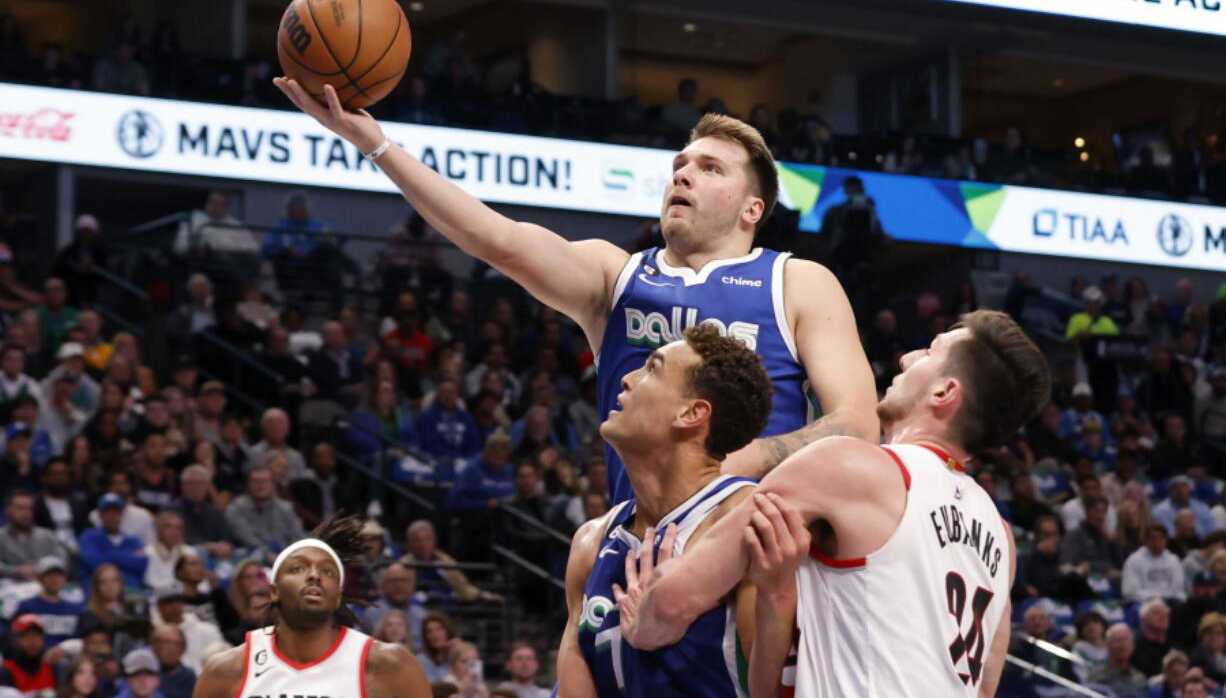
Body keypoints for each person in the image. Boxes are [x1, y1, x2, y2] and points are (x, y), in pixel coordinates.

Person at [273, 79, 877, 504]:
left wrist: (748, 461)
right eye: (680, 165)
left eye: (710, 168)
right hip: (633, 549)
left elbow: (857, 423)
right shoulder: (617, 276)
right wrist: (375, 144)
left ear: (753, 208)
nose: (683, 174)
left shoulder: (796, 280)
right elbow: (496, 239)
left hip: (754, 552)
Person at [623, 310, 1050, 698]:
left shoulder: (846, 465)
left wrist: (642, 614)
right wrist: (776, 594)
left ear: (943, 391)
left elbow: (671, 605)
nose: (906, 359)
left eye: (929, 351)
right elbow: (984, 689)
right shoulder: (1001, 535)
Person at [555, 324, 772, 697]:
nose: (625, 379)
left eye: (652, 369)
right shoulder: (591, 540)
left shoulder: (747, 521)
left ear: (691, 413)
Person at [192, 515, 431, 698]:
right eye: (298, 568)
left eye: (327, 571)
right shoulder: (226, 670)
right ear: (274, 591)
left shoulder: (388, 665)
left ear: (337, 596)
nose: (314, 576)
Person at [79, 492, 149, 588]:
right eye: (107, 512)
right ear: (100, 514)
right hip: (97, 592)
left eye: (116, 512)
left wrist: (108, 554)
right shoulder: (89, 536)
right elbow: (96, 564)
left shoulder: (133, 540)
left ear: (122, 514)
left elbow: (141, 564)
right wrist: (127, 558)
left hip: (131, 591)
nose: (111, 516)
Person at [224, 466, 303, 551]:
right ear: (248, 485)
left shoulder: (285, 508)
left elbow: (297, 539)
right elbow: (249, 541)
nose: (261, 485)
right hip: (251, 559)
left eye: (265, 481)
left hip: (285, 556)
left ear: (273, 485)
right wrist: (267, 555)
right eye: (256, 481)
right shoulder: (236, 509)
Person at [15, 556, 82, 648]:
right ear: (40, 579)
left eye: (58, 575)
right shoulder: (27, 606)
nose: (54, 579)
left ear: (65, 579)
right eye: (49, 575)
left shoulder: (75, 610)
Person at [1, 490, 68, 579]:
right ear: (8, 510)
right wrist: (15, 571)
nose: (26, 513)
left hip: (44, 585)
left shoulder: (46, 535)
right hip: (8, 585)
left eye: (29, 508)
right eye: (20, 508)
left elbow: (62, 561)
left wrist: (41, 569)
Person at [364, 563, 428, 653]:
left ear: (412, 586)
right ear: (383, 586)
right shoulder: (372, 611)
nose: (399, 585)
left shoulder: (421, 615)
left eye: (403, 580)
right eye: (393, 581)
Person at [1122, 525, 1186, 602]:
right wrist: (1155, 598)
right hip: (1144, 603)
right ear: (1146, 540)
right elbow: (1129, 592)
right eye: (1153, 539)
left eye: (1161, 539)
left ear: (1166, 540)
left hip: (1170, 602)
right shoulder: (1134, 560)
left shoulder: (1173, 560)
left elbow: (1179, 588)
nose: (1157, 543)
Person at [1086, 623, 1148, 698]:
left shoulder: (1139, 678)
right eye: (1117, 640)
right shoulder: (1097, 676)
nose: (1122, 645)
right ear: (1107, 645)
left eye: (1126, 640)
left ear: (1133, 645)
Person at [2, 614, 56, 694]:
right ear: (15, 640)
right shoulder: (5, 671)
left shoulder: (51, 668)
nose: (32, 641)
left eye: (37, 635)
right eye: (26, 635)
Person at [150, 625, 196, 698]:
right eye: (166, 642)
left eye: (177, 643)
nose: (172, 648)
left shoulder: (188, 677)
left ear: (183, 649)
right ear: (154, 645)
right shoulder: (143, 671)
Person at [1131, 600, 1172, 679]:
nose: (1162, 616)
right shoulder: (1135, 645)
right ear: (1143, 619)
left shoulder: (1173, 642)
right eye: (1157, 613)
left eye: (1165, 614)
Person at [416, 612, 458, 682]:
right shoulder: (421, 660)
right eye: (429, 631)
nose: (435, 634)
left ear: (448, 630)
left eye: (439, 629)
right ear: (425, 637)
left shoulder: (459, 655)